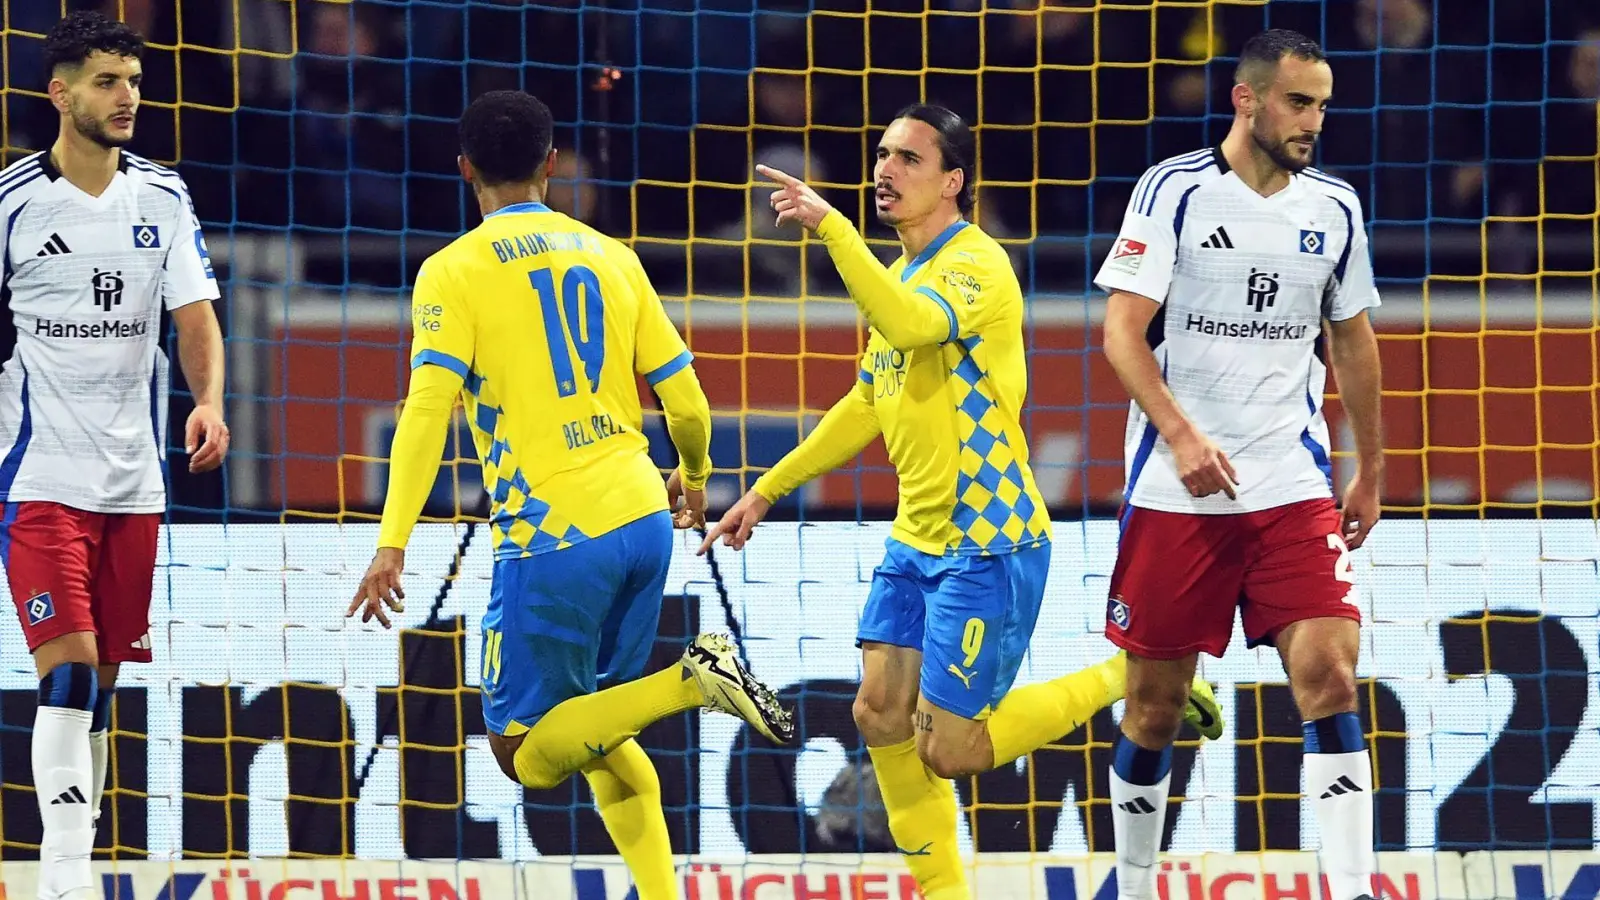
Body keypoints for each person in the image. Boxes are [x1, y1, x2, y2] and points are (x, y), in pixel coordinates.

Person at [701, 104, 1222, 900]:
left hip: (990, 540)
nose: (886, 169)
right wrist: (768, 491)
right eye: (881, 154)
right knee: (877, 715)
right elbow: (866, 401)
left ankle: (1127, 674)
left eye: (908, 158)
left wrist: (834, 229)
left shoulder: (977, 265)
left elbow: (910, 328)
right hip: (918, 537)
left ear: (953, 181)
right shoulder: (899, 273)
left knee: (952, 749)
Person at [347, 89, 794, 900]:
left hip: (553, 535)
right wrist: (692, 483)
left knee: (525, 752)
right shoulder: (612, 255)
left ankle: (692, 681)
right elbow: (687, 402)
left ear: (464, 169)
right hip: (640, 518)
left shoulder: (453, 270)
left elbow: (424, 413)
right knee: (600, 725)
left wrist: (392, 542)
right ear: (553, 166)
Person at [1092, 29, 1384, 900]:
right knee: (1153, 705)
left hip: (1290, 482)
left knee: (1331, 673)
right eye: (1300, 102)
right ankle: (1137, 881)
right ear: (1247, 99)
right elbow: (1120, 332)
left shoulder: (1334, 208)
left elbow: (1353, 337)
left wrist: (1369, 466)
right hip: (1175, 491)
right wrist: (1181, 435)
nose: (1315, 121)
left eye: (1324, 105)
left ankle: (1352, 887)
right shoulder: (1174, 191)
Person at [0, 12, 230, 900]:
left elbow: (195, 314)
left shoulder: (163, 197)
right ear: (59, 94)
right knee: (65, 672)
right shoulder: (15, 202)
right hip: (36, 475)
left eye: (132, 79)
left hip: (135, 481)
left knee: (98, 683)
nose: (127, 95)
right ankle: (61, 880)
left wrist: (207, 400)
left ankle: (79, 862)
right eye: (106, 80)